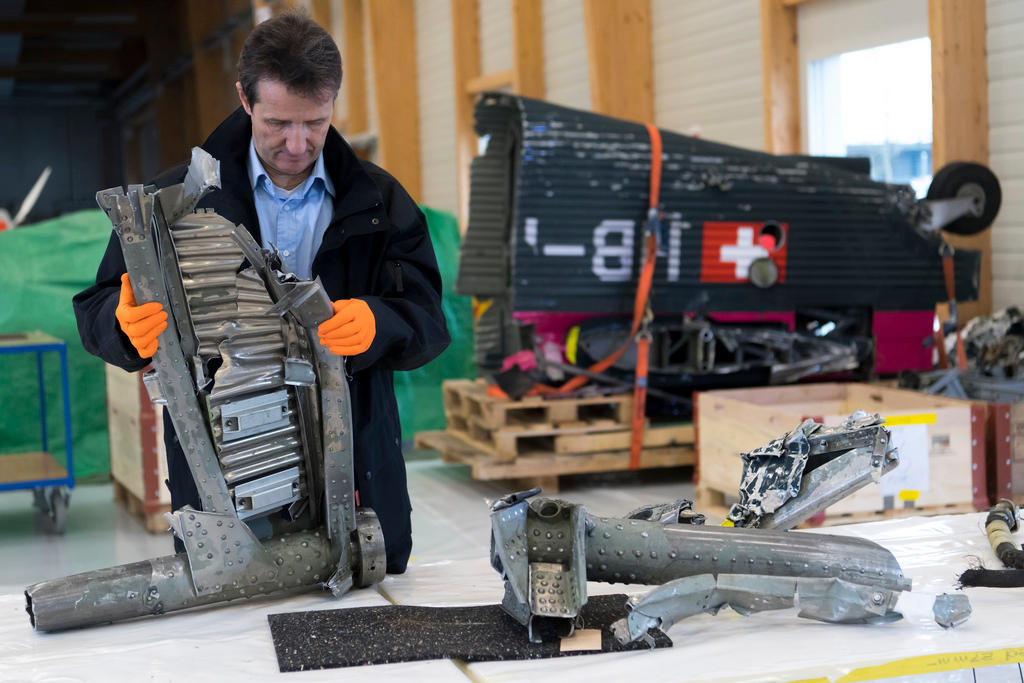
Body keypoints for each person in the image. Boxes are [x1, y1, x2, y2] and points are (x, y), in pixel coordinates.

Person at [73, 11, 450, 574]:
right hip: (224, 469)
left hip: (356, 473)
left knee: (368, 618)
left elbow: (427, 319)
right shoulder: (173, 202)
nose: (298, 144)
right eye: (278, 123)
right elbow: (97, 307)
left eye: (315, 123)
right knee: (232, 622)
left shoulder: (378, 202)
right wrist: (122, 325)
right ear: (245, 101)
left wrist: (379, 323)